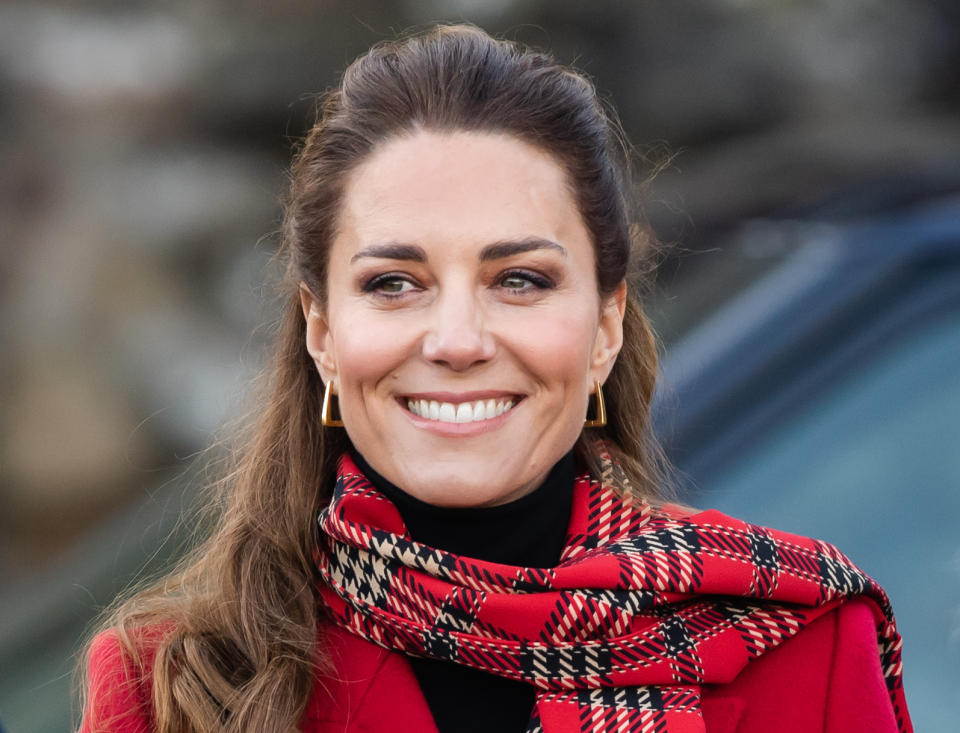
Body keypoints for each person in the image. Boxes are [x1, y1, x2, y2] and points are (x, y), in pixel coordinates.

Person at [79, 24, 912, 733]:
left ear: (606, 327)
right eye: (393, 284)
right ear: (324, 333)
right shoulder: (177, 683)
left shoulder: (798, 634)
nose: (456, 340)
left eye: (519, 279)